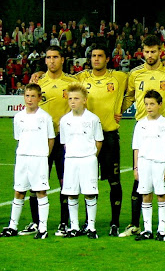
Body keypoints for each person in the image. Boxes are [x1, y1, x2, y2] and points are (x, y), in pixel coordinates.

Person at [120, 35, 165, 239]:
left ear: (161, 51)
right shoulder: (135, 74)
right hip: (142, 129)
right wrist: (117, 112)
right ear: (142, 52)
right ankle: (136, 224)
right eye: (147, 51)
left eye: (153, 51)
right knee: (139, 181)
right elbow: (129, 98)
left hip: (163, 130)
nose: (150, 55)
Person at [75, 44, 128, 237]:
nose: (96, 59)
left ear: (107, 59)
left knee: (114, 181)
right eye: (93, 56)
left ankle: (115, 223)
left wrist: (122, 107)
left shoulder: (119, 77)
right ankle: (88, 223)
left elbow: (138, 84)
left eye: (100, 56)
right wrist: (39, 72)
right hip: (86, 138)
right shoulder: (81, 78)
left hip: (109, 136)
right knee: (86, 182)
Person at [33, 46, 79, 237]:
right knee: (37, 181)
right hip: (40, 138)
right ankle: (36, 222)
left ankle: (63, 222)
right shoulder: (38, 83)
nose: (51, 61)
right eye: (48, 57)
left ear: (62, 60)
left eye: (55, 57)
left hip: (63, 139)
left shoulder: (71, 82)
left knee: (64, 181)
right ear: (45, 61)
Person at [0, 84, 55, 239]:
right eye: (27, 96)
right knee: (19, 191)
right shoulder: (19, 117)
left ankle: (42, 228)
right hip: (22, 158)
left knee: (40, 192)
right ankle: (12, 226)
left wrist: (44, 155)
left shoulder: (45, 117)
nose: (29, 99)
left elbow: (51, 139)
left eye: (33, 96)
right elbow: (18, 137)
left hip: (39, 159)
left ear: (39, 98)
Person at [59, 83, 104, 239]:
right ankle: (74, 227)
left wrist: (91, 156)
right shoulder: (64, 120)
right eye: (70, 98)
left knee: (90, 193)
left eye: (76, 98)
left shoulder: (93, 119)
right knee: (71, 194)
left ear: (84, 100)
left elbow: (99, 141)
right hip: (71, 160)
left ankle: (91, 227)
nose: (73, 101)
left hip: (88, 160)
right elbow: (64, 143)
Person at [131, 90, 165, 242]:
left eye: (152, 104)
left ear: (160, 105)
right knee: (146, 195)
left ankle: (161, 230)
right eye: (146, 104)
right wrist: (136, 167)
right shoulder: (140, 124)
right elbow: (136, 148)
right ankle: (147, 230)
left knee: (161, 194)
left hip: (160, 163)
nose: (149, 107)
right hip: (144, 163)